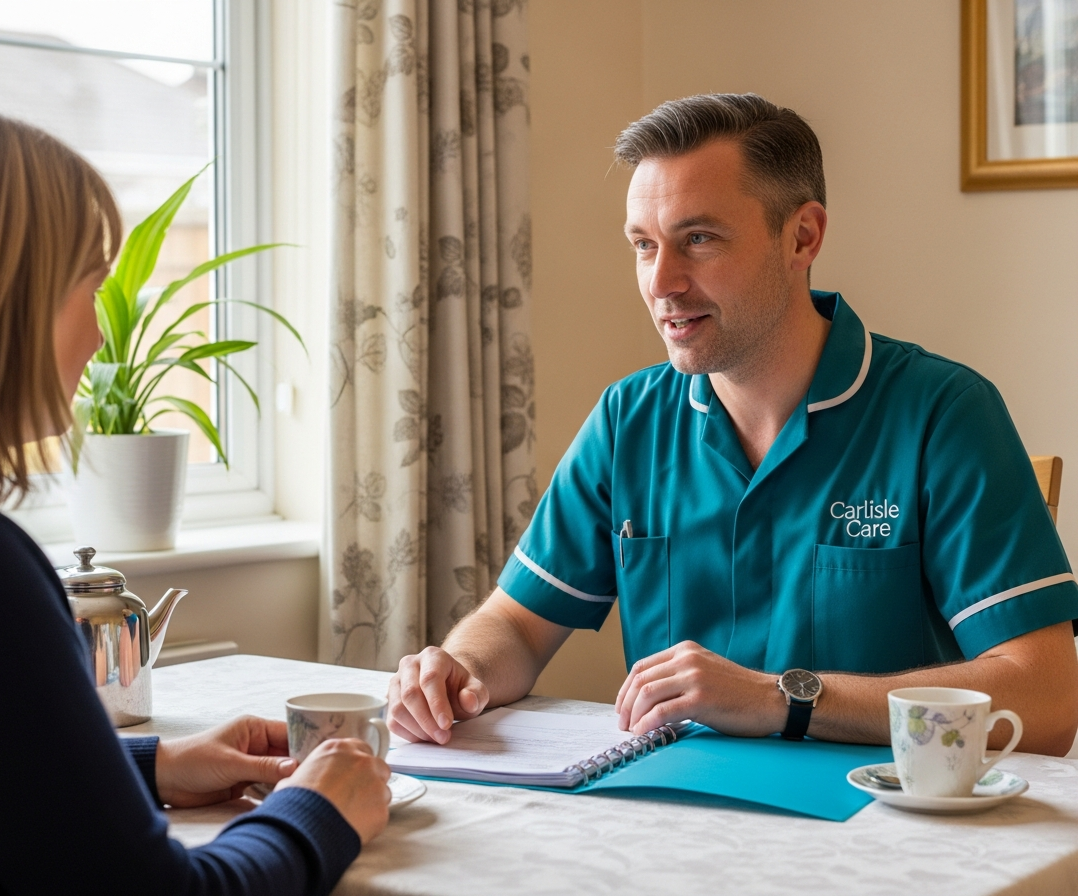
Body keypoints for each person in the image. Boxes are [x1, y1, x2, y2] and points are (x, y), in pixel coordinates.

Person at [0, 103, 390, 894]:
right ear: (3, 300)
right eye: (91, 291)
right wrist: (317, 811)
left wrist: (148, 765)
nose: (103, 339)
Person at [387, 93, 1078, 757]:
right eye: (643, 245)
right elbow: (515, 624)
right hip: (676, 823)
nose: (662, 281)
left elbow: (1046, 701)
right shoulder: (629, 418)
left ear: (802, 237)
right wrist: (458, 669)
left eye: (699, 239)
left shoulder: (943, 413)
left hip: (879, 831)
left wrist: (785, 698)